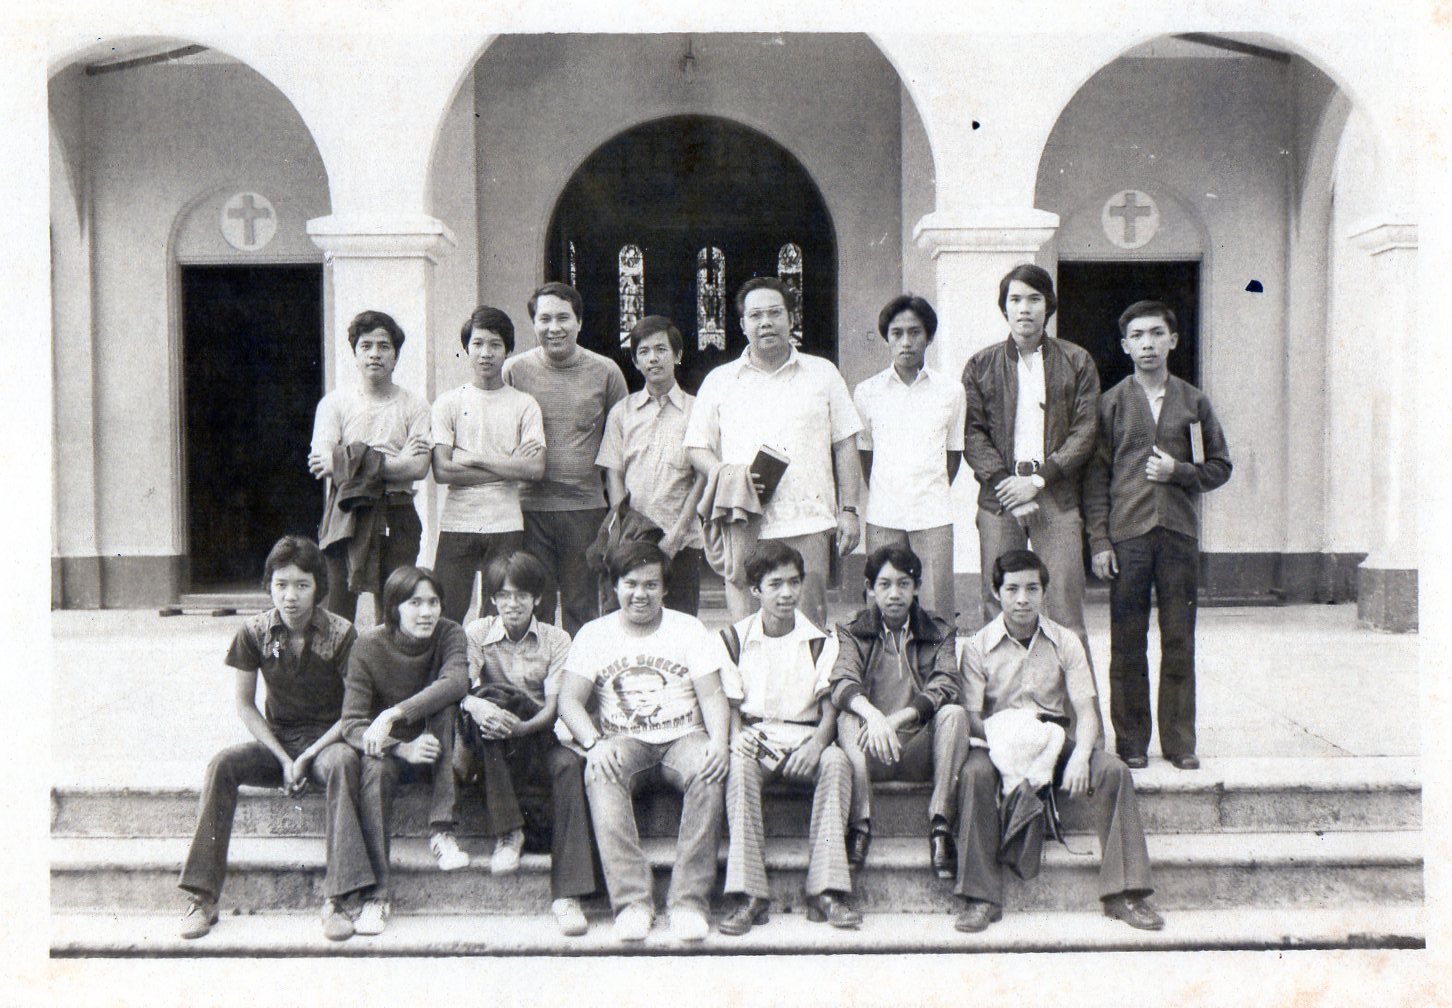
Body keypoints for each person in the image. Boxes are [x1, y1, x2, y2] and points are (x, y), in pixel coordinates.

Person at [953, 549, 1162, 933]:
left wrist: (1082, 755)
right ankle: (980, 898)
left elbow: (1086, 712)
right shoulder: (977, 646)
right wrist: (1011, 743)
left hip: (1053, 737)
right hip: (999, 740)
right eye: (1012, 589)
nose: (1022, 599)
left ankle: (1125, 893)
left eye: (1032, 588)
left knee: (1113, 771)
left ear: (1044, 593)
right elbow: (971, 719)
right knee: (973, 776)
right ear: (996, 592)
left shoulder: (1065, 641)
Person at [178, 535, 370, 942]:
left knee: (344, 764)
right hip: (278, 741)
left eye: (302, 585)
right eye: (281, 584)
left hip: (327, 741)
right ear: (269, 586)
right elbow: (245, 705)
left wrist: (308, 756)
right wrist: (283, 758)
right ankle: (202, 897)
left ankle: (337, 899)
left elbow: (353, 712)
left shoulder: (342, 633)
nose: (291, 596)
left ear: (318, 586)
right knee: (222, 764)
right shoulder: (253, 632)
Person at [556, 541, 731, 943]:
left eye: (651, 585)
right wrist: (594, 743)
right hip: (623, 740)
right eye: (631, 583)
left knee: (709, 768)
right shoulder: (595, 634)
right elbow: (569, 700)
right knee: (599, 772)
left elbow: (712, 695)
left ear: (665, 589)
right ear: (614, 586)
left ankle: (688, 903)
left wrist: (719, 742)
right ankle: (633, 903)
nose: (641, 594)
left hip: (683, 737)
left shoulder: (687, 628)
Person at [1084, 301, 1232, 771]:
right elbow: (1096, 479)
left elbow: (1219, 467)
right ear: (1125, 345)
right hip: (1128, 537)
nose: (1147, 343)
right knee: (1127, 641)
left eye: (1156, 333)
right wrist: (1100, 542)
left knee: (1178, 638)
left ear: (1173, 340)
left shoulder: (1194, 402)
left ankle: (1179, 741)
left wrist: (1180, 471)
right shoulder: (1110, 404)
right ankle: (1131, 740)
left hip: (1177, 536)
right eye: (1137, 336)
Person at [684, 277, 864, 628]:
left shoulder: (822, 374)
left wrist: (850, 510)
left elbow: (845, 443)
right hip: (744, 520)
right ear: (742, 324)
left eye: (774, 313)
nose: (765, 322)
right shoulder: (721, 380)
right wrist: (728, 476)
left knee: (808, 625)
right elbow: (696, 447)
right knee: (748, 629)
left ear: (790, 319)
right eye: (755, 315)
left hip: (808, 521)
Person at [718, 540, 860, 935]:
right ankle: (750, 896)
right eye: (775, 584)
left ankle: (826, 891)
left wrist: (817, 744)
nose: (787, 593)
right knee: (740, 767)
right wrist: (736, 735)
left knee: (836, 762)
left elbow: (830, 703)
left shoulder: (820, 640)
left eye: (794, 583)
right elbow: (729, 702)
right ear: (755, 591)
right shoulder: (733, 639)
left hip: (803, 737)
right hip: (758, 735)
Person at [961, 264, 1099, 657]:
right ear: (1004, 308)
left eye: (1034, 299)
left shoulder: (1076, 361)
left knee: (1065, 612)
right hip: (1000, 497)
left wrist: (1037, 480)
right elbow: (973, 432)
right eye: (1016, 299)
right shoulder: (980, 365)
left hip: (1054, 495)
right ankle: (1001, 716)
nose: (1025, 309)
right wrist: (1007, 482)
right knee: (998, 609)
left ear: (1048, 305)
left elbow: (1084, 431)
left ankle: (1075, 719)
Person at [458, 550, 598, 936]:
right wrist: (478, 706)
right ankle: (509, 832)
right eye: (503, 595)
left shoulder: (556, 638)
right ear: (492, 599)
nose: (512, 604)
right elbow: (462, 689)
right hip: (490, 738)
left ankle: (568, 896)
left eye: (521, 595)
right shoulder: (476, 633)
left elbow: (553, 708)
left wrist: (520, 728)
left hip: (535, 733)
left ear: (538, 598)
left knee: (570, 765)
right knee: (489, 705)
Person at [341, 565, 470, 936]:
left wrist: (394, 713)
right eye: (415, 603)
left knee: (446, 709)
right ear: (394, 607)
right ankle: (377, 897)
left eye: (433, 602)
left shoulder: (450, 633)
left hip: (439, 744)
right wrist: (401, 748)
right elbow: (351, 724)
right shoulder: (368, 646)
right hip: (394, 751)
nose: (427, 612)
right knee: (374, 771)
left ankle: (442, 832)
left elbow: (456, 681)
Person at [829, 544, 969, 881]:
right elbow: (842, 681)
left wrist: (896, 719)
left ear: (917, 587)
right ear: (870, 589)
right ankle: (860, 825)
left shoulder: (939, 630)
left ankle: (940, 826)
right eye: (884, 584)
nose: (895, 594)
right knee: (847, 717)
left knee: (954, 714)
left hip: (920, 747)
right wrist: (876, 718)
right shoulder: (852, 629)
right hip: (870, 748)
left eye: (904, 584)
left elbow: (946, 683)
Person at [503, 282, 628, 635]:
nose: (553, 328)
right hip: (528, 509)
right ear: (534, 324)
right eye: (544, 319)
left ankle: (581, 684)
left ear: (579, 323)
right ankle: (535, 684)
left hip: (584, 510)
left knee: (582, 604)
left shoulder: (606, 372)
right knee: (533, 604)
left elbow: (620, 441)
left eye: (563, 318)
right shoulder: (513, 371)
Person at [310, 310, 432, 623]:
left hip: (397, 511)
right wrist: (395, 462)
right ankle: (340, 673)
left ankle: (388, 672)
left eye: (384, 346)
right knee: (337, 608)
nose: (375, 354)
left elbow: (418, 468)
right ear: (355, 353)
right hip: (346, 512)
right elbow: (322, 463)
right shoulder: (334, 404)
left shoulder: (414, 405)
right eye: (366, 346)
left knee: (394, 608)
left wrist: (350, 462)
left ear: (396, 356)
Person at [430, 306, 547, 625]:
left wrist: (472, 457)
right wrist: (511, 465)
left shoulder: (524, 404)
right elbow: (443, 471)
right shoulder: (449, 403)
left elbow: (535, 469)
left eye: (495, 344)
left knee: (498, 614)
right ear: (466, 348)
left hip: (505, 523)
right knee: (448, 610)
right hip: (459, 521)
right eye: (478, 343)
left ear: (508, 350)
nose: (486, 353)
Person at [854, 294, 966, 622]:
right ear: (887, 337)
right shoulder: (867, 391)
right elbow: (866, 454)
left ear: (929, 337)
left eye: (914, 333)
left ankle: (938, 672)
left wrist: (927, 489)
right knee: (882, 605)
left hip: (933, 514)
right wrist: (890, 491)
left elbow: (953, 454)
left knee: (935, 610)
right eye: (897, 333)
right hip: (884, 515)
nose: (906, 342)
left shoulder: (950, 391)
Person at [596, 315, 707, 615]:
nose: (653, 359)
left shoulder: (698, 411)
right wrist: (625, 528)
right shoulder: (622, 412)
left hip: (681, 541)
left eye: (661, 349)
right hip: (632, 541)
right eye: (643, 352)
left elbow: (703, 477)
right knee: (627, 623)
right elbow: (613, 472)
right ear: (634, 361)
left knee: (680, 625)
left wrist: (679, 532)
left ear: (678, 355)